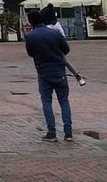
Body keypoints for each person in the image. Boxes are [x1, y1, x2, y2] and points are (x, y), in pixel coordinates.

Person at [25, 9, 73, 142]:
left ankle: (51, 132)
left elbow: (30, 53)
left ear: (31, 22)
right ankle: (68, 133)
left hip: (43, 72)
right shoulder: (55, 33)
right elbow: (66, 49)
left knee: (46, 102)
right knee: (64, 101)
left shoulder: (30, 36)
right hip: (59, 70)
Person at [41, 6, 85, 86]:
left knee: (63, 60)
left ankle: (77, 75)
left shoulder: (54, 25)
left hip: (57, 45)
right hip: (51, 44)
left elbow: (61, 37)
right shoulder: (50, 24)